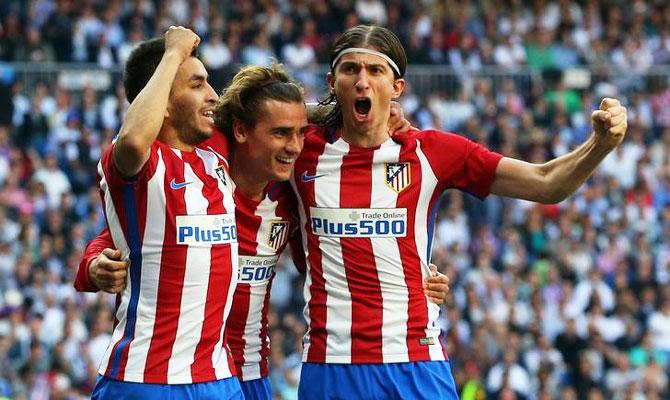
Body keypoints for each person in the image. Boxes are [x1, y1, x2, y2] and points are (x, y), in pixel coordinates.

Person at [76, 61, 451, 399]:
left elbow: (328, 264)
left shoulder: (290, 198)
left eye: (299, 134)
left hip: (248, 373)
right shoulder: (205, 169)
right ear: (242, 132)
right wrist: (94, 263)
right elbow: (129, 230)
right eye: (281, 134)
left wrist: (414, 283)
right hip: (169, 371)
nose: (294, 146)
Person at [291, 25, 627, 399]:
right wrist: (320, 112)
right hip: (330, 365)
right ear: (332, 81)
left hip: (415, 364)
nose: (362, 81)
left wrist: (600, 144)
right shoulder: (300, 148)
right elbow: (249, 114)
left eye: (375, 71)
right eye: (350, 70)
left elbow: (546, 183)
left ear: (397, 86)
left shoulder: (433, 152)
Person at [87, 26, 244, 399]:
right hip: (146, 379)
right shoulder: (140, 162)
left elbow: (276, 120)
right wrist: (173, 52)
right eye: (196, 84)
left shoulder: (215, 160)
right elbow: (135, 139)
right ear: (163, 101)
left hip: (219, 379)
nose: (212, 95)